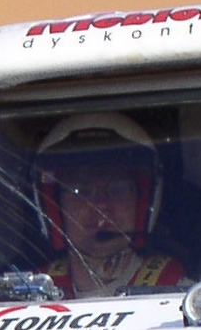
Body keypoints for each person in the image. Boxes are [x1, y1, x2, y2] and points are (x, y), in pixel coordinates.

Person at [34, 114, 188, 297]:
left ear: (141, 203)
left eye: (118, 190)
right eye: (82, 191)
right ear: (56, 206)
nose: (101, 205)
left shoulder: (180, 296)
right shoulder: (28, 297)